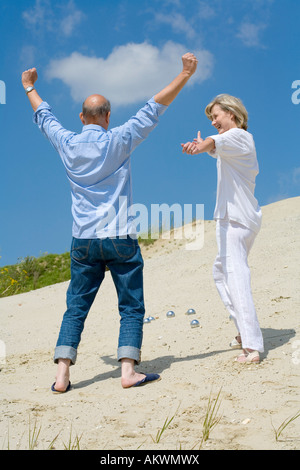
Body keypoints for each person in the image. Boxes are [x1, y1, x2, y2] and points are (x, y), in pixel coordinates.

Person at [21, 52, 198, 391]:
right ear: (107, 117)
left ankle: (61, 375)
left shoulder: (68, 143)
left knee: (75, 307)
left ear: (81, 116)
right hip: (119, 236)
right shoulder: (119, 139)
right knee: (131, 305)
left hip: (83, 240)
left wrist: (29, 87)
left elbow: (45, 116)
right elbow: (154, 107)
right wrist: (185, 74)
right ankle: (128, 371)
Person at [181, 94, 264, 363]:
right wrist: (203, 145)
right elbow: (214, 146)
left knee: (236, 276)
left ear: (231, 113)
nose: (213, 121)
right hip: (235, 219)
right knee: (221, 272)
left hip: (236, 220)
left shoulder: (238, 136)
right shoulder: (233, 144)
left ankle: (251, 346)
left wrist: (200, 145)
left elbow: (212, 143)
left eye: (216, 115)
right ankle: (243, 330)